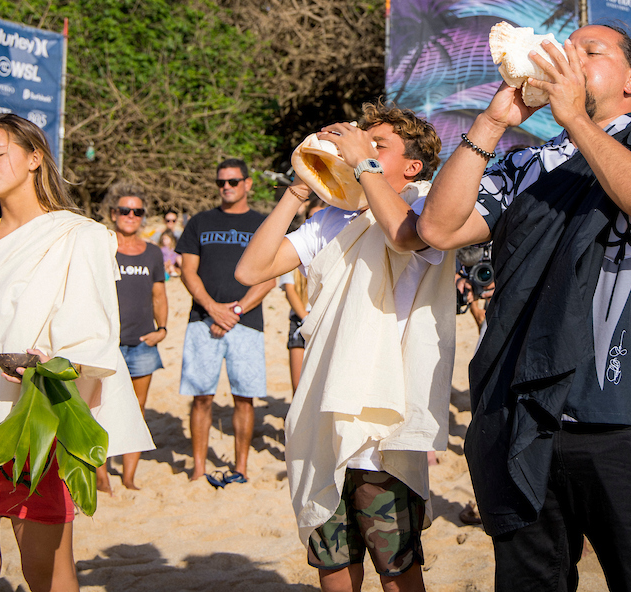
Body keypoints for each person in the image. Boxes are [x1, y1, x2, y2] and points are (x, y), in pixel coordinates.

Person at [417, 24, 631, 592]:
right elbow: (437, 228)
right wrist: (491, 123)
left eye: (591, 51)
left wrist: (576, 122)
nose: (570, 58)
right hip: (527, 411)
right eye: (566, 48)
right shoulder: (526, 165)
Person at [0, 113, 153, 592]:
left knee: (49, 575)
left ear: (35, 158)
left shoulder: (79, 236)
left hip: (32, 427)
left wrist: (49, 365)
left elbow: (94, 341)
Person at [236, 101, 455, 592]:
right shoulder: (335, 220)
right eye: (365, 140)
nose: (363, 149)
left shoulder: (425, 207)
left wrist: (363, 162)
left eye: (380, 145)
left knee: (397, 567)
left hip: (381, 422)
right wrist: (301, 186)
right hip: (321, 412)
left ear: (411, 166)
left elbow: (403, 240)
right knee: (332, 561)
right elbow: (250, 272)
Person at [176, 159, 275, 486]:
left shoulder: (264, 224)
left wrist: (233, 312)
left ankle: (241, 467)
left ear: (248, 183)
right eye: (221, 182)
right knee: (201, 396)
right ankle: (199, 468)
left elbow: (269, 279)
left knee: (243, 397)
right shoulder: (199, 222)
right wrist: (212, 308)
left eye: (233, 181)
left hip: (246, 323)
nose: (227, 187)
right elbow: (187, 271)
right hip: (202, 321)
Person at [96, 183, 168, 492]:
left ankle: (128, 477)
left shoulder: (153, 253)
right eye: (124, 210)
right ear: (113, 214)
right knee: (98, 409)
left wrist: (162, 330)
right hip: (106, 345)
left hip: (142, 343)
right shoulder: (101, 248)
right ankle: (101, 476)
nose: (130, 216)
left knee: (135, 410)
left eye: (137, 211)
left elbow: (159, 295)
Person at [277, 193, 324, 395]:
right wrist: (306, 319)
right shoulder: (298, 247)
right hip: (301, 318)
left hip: (328, 318)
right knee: (299, 388)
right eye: (312, 217)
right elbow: (289, 288)